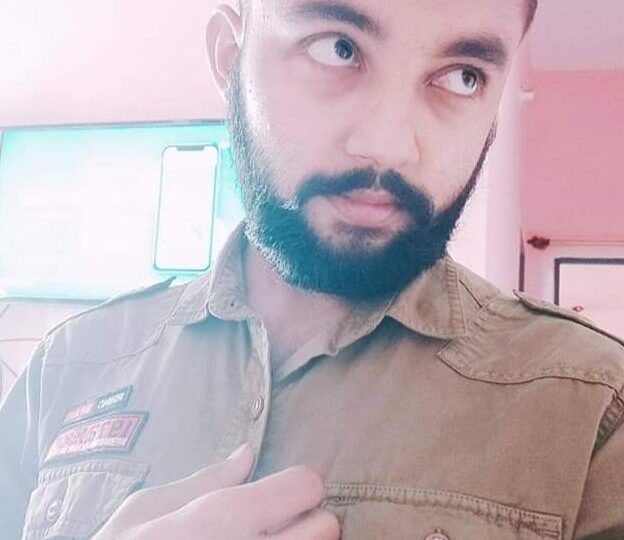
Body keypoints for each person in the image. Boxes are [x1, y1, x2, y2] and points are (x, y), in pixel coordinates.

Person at [1, 0, 624, 538]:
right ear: (229, 57)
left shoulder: (594, 415)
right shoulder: (65, 370)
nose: (388, 145)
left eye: (463, 77)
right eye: (338, 48)